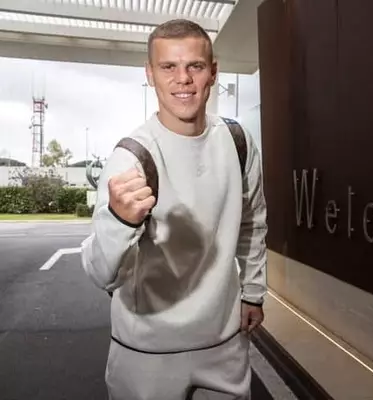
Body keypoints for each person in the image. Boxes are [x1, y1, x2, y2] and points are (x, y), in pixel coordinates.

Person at [80, 18, 268, 400]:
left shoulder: (238, 141)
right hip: (146, 352)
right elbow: (101, 274)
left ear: (212, 72)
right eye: (168, 66)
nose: (183, 79)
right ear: (150, 74)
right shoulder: (131, 158)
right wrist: (119, 221)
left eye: (194, 66)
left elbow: (253, 222)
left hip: (224, 343)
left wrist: (253, 292)